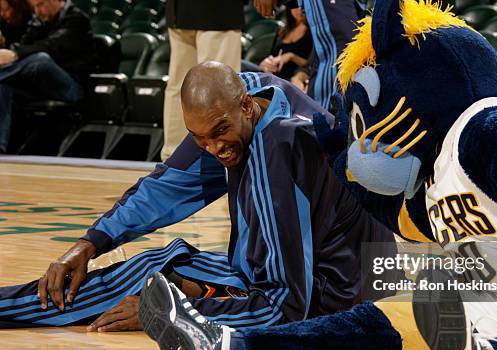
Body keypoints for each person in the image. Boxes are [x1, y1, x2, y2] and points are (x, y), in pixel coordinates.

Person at [139, 3, 497, 350]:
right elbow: (404, 220)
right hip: (485, 288)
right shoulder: (435, 171)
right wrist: (343, 162)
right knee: (381, 319)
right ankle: (224, 346)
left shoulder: (489, 127)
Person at [0, 63, 396, 330]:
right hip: (338, 274)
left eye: (219, 133)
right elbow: (165, 187)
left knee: (150, 283)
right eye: (200, 139)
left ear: (244, 107)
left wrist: (173, 314)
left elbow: (288, 307)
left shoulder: (283, 145)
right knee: (160, 266)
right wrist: (89, 243)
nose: (214, 149)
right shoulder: (244, 104)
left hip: (345, 296)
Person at [0, 0, 93, 154]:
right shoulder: (39, 22)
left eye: (41, 4)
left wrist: (14, 54)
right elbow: (25, 46)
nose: (37, 11)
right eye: (34, 7)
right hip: (43, 87)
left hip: (71, 87)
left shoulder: (77, 20)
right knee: (4, 85)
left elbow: (51, 47)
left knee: (41, 59)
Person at [161, 0, 244, 161]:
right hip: (216, 12)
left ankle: (174, 159)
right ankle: (216, 159)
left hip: (180, 11)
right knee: (220, 89)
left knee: (180, 86)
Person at [255, 0, 362, 110]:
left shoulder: (313, 29)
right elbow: (315, 59)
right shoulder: (285, 31)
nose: (299, 11)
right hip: (310, 85)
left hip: (333, 93)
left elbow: (343, 46)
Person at [258, 7, 312, 81]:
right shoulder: (283, 30)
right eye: (295, 6)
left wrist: (291, 56)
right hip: (272, 74)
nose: (299, 10)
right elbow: (272, 55)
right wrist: (265, 64)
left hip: (291, 78)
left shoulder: (313, 33)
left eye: (302, 6)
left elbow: (312, 64)